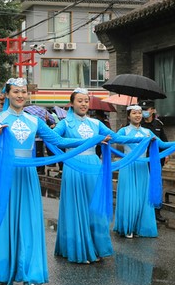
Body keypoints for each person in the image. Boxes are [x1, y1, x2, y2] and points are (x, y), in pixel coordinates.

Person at [0, 79, 74, 285]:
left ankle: (28, 277)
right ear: (6, 94)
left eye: (23, 92)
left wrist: (92, 140)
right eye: (16, 91)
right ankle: (2, 271)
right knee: (3, 222)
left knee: (28, 223)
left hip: (27, 176)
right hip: (4, 175)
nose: (20, 95)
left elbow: (58, 141)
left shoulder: (34, 121)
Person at [53, 88, 116, 263]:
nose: (83, 104)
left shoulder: (95, 124)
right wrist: (84, 143)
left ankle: (97, 248)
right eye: (80, 101)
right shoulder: (65, 123)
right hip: (74, 166)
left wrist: (145, 140)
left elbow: (115, 137)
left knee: (95, 208)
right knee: (77, 207)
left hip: (94, 166)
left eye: (86, 101)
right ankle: (80, 248)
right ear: (72, 103)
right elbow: (53, 139)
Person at [113, 105, 158, 239]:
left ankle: (141, 227)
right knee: (129, 197)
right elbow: (115, 139)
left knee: (142, 197)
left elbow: (161, 144)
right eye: (134, 113)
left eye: (139, 113)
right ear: (128, 116)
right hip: (128, 166)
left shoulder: (147, 132)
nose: (137, 115)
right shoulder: (124, 130)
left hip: (143, 167)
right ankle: (128, 227)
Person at [141, 100, 167, 222]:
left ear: (152, 110)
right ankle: (145, 210)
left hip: (156, 159)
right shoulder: (139, 124)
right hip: (142, 159)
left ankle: (157, 211)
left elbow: (163, 141)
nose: (144, 112)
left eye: (147, 109)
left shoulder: (158, 124)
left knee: (156, 184)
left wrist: (166, 155)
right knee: (144, 185)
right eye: (143, 109)